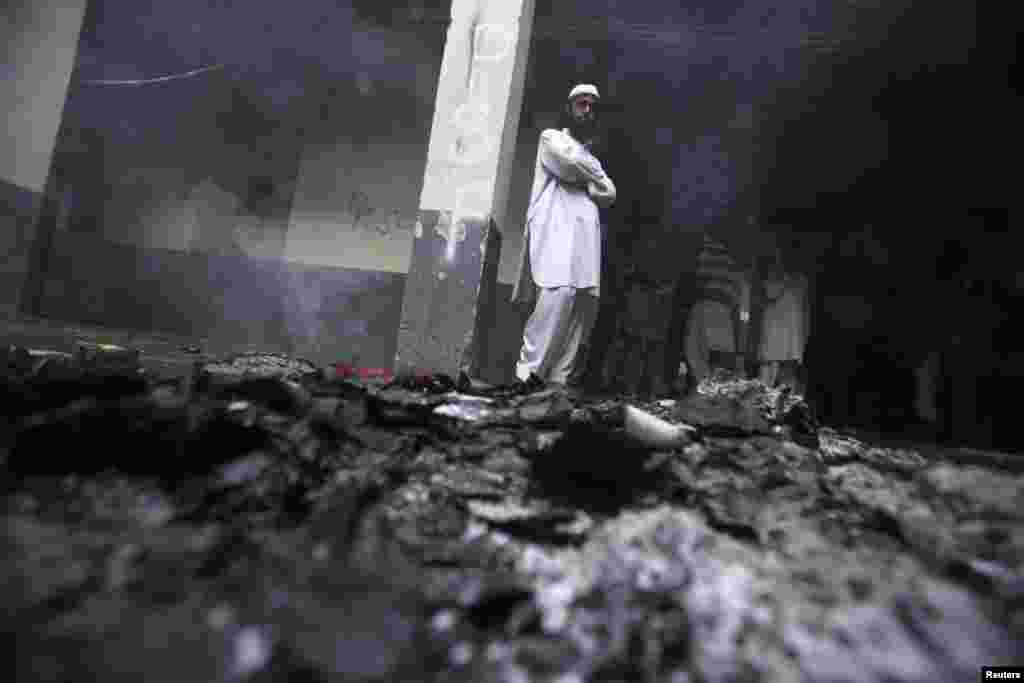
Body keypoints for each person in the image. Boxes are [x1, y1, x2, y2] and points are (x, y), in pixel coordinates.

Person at [511, 84, 617, 391]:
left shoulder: (593, 158)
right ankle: (528, 375)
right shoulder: (552, 138)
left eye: (592, 106)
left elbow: (609, 193)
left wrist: (591, 176)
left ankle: (558, 381)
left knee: (581, 306)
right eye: (582, 104)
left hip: (585, 240)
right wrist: (593, 178)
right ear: (569, 108)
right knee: (558, 295)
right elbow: (567, 164)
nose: (588, 110)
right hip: (556, 232)